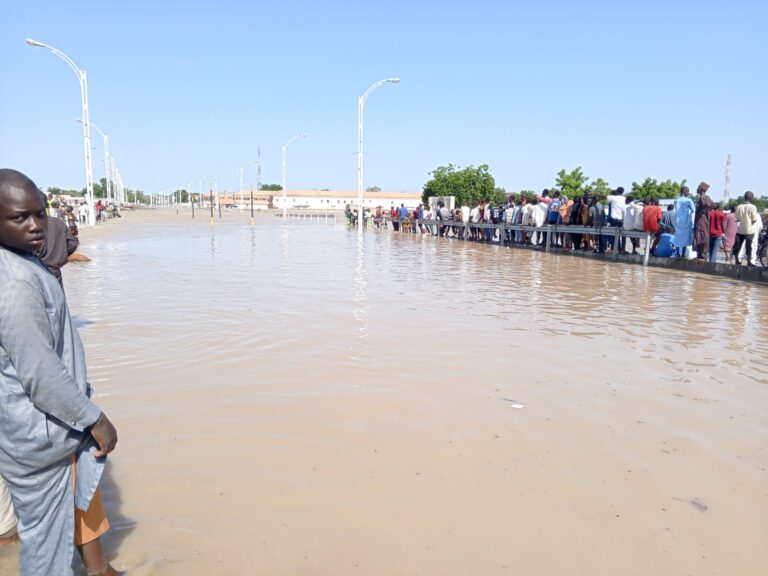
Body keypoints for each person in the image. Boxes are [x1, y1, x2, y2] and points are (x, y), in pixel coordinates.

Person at [0, 169, 118, 575]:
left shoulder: (20, 263)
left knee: (43, 537)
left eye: (40, 213)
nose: (37, 225)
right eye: (20, 217)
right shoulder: (15, 283)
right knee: (47, 555)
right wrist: (95, 419)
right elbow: (41, 375)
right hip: (39, 435)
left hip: (28, 429)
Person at [732, 191, 759, 266]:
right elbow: (754, 219)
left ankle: (737, 260)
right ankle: (749, 262)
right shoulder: (753, 207)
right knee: (748, 246)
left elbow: (736, 219)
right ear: (751, 198)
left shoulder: (739, 206)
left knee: (738, 245)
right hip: (750, 230)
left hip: (740, 229)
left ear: (744, 197)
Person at [693, 181, 715, 260]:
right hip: (698, 220)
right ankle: (699, 254)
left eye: (698, 187)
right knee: (698, 235)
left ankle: (703, 255)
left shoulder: (705, 197)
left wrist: (705, 210)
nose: (697, 189)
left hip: (702, 220)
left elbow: (714, 205)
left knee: (702, 235)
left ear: (701, 189)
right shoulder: (700, 198)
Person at [673, 186, 695, 257]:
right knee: (685, 239)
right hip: (686, 222)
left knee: (677, 238)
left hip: (678, 221)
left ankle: (677, 254)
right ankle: (682, 254)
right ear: (686, 192)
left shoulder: (676, 200)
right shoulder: (689, 201)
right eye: (688, 192)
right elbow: (694, 210)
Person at [606, 187, 627, 253]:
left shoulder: (613, 198)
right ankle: (622, 249)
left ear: (617, 191)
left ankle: (616, 247)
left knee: (612, 234)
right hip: (622, 219)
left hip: (614, 219)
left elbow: (605, 197)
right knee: (623, 234)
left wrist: (596, 194)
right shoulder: (625, 199)